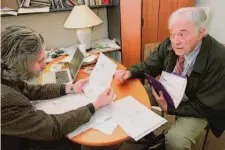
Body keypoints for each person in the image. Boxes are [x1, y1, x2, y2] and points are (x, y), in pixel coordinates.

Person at [115, 7, 225, 150]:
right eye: (172, 34)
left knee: (175, 140)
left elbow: (207, 106)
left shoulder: (218, 60)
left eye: (182, 34)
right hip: (169, 91)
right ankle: (148, 137)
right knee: (131, 96)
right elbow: (149, 66)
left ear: (201, 32)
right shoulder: (169, 44)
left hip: (197, 104)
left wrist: (170, 108)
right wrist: (130, 72)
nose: (175, 41)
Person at [1, 25, 115, 150]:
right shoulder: (5, 98)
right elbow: (53, 128)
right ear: (19, 64)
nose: (44, 65)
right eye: (39, 61)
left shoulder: (7, 73)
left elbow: (30, 90)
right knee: (69, 139)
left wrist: (71, 88)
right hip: (20, 144)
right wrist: (95, 105)